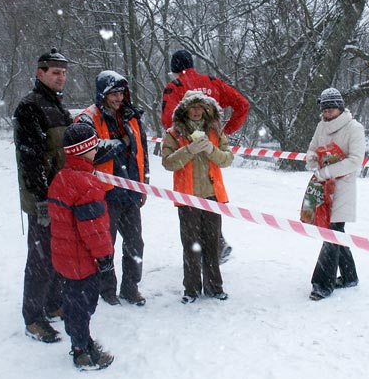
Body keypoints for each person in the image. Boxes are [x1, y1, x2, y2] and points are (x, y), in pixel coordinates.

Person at [161, 49, 249, 263]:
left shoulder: (175, 87)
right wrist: (223, 133)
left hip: (190, 158)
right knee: (210, 202)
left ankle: (205, 254)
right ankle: (214, 248)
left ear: (174, 70)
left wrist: (187, 140)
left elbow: (167, 121)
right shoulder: (213, 82)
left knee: (192, 208)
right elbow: (243, 104)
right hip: (211, 155)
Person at [13, 47, 73, 342]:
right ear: (41, 73)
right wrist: (41, 198)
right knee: (40, 258)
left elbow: (68, 150)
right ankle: (33, 317)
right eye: (55, 72)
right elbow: (31, 157)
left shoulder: (59, 107)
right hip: (43, 197)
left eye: (64, 72)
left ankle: (53, 303)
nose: (61, 77)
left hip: (63, 195)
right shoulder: (30, 107)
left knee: (58, 253)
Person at [76, 70, 149, 306]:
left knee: (135, 243)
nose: (118, 98)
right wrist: (120, 144)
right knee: (105, 244)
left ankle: (131, 287)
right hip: (103, 193)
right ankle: (107, 289)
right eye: (113, 94)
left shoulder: (132, 117)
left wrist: (143, 184)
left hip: (131, 191)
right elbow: (91, 152)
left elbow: (142, 152)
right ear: (102, 94)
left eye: (121, 93)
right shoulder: (88, 118)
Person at [47, 122, 115, 370]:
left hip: (65, 257)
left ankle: (80, 338)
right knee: (84, 305)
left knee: (74, 300)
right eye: (93, 147)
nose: (96, 150)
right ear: (84, 150)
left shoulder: (62, 177)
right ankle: (82, 350)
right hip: (82, 260)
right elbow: (94, 229)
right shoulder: (86, 184)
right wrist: (105, 256)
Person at [162, 91, 234, 303]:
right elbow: (168, 162)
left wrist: (211, 149)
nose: (195, 111)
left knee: (212, 244)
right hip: (187, 199)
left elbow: (227, 159)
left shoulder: (215, 131)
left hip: (212, 196)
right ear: (185, 109)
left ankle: (215, 288)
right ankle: (191, 289)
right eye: (192, 107)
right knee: (191, 245)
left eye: (199, 107)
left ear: (206, 109)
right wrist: (189, 150)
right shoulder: (174, 133)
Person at [306, 87, 365, 301]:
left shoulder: (354, 128)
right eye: (325, 109)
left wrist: (328, 171)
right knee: (335, 232)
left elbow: (355, 160)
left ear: (340, 108)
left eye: (331, 109)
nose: (328, 113)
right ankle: (349, 276)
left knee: (333, 231)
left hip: (343, 186)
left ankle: (322, 283)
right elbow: (312, 148)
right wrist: (312, 159)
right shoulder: (321, 126)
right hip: (323, 186)